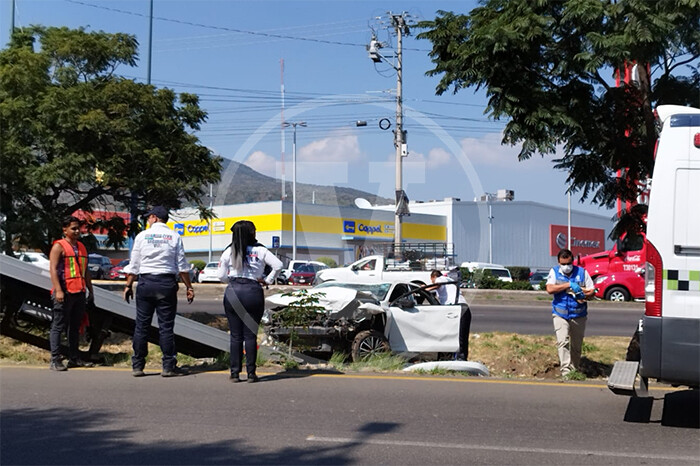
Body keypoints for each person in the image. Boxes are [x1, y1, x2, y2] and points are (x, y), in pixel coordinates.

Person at [123, 206, 195, 377]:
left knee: (141, 325)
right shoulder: (174, 236)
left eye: (149, 217)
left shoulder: (142, 236)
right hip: (166, 284)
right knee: (166, 327)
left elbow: (134, 265)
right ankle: (168, 365)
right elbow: (182, 267)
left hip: (146, 283)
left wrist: (128, 285)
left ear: (154, 217)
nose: (147, 220)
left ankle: (138, 365)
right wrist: (189, 287)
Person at [217, 220, 282, 383]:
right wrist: (267, 280)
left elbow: (221, 275)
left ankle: (234, 373)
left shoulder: (229, 251)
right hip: (253, 292)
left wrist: (231, 282)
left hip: (233, 291)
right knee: (250, 335)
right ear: (251, 233)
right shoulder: (260, 250)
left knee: (235, 336)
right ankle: (251, 373)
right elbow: (278, 265)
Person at [48, 215, 95, 371]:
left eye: (78, 228)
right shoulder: (59, 246)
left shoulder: (81, 246)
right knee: (58, 326)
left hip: (79, 291)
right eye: (73, 228)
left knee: (74, 327)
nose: (77, 231)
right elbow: (53, 269)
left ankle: (74, 358)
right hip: (64, 291)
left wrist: (90, 289)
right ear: (65, 229)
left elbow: (85, 270)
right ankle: (55, 360)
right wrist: (59, 290)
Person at [546, 248, 595, 376]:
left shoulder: (582, 272)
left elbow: (591, 290)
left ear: (572, 262)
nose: (566, 267)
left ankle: (574, 370)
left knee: (576, 345)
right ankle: (566, 372)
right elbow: (550, 288)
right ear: (558, 263)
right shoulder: (554, 272)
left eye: (568, 263)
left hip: (578, 315)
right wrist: (567, 285)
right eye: (563, 264)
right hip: (560, 314)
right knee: (563, 342)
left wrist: (580, 292)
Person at [428, 270, 471, 361]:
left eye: (432, 281)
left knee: (457, 336)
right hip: (465, 308)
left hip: (457, 309)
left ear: (434, 277)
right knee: (462, 336)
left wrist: (425, 288)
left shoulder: (440, 279)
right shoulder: (449, 281)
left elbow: (438, 285)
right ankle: (461, 357)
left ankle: (459, 359)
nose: (433, 282)